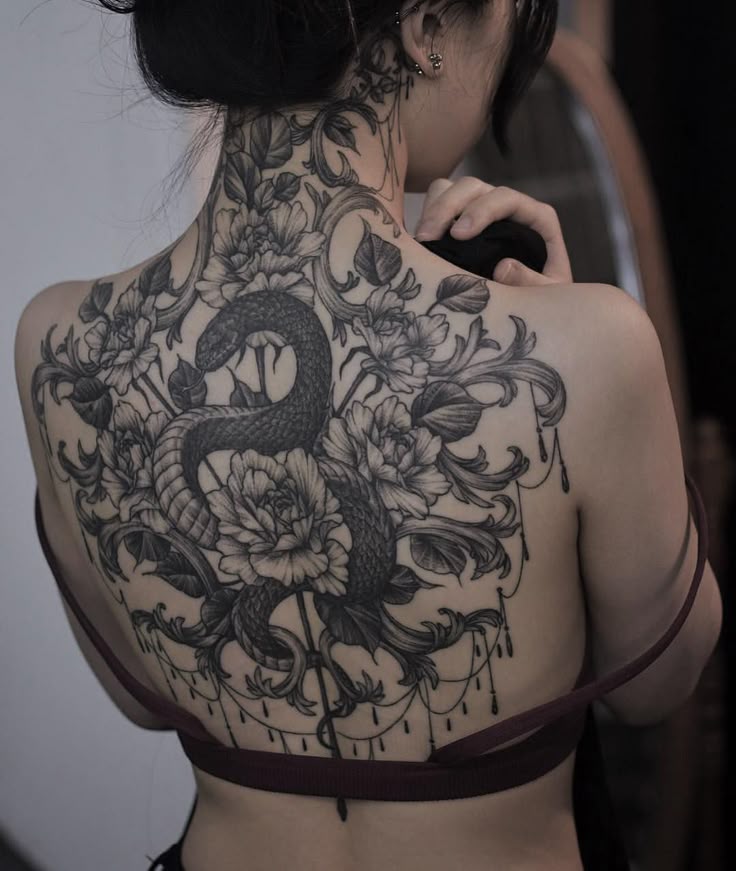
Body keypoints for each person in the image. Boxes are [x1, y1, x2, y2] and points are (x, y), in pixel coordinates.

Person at [14, 1, 722, 869]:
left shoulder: (62, 347)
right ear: (426, 26)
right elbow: (658, 683)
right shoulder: (586, 351)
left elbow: (146, 697)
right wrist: (571, 339)